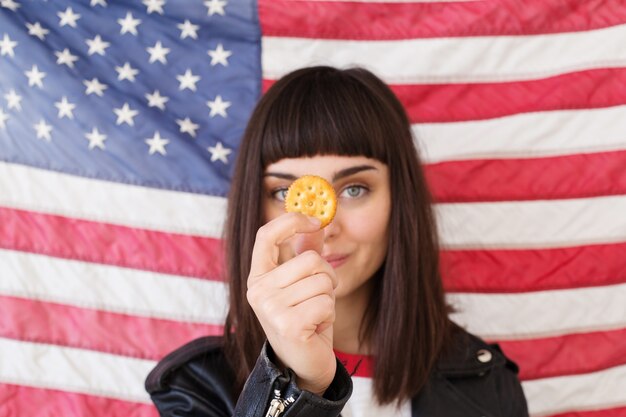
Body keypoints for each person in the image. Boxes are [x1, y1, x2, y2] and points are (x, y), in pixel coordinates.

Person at [145, 66, 529, 417]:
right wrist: (302, 386)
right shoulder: (195, 389)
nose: (322, 227)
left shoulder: (485, 384)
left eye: (356, 189)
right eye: (283, 193)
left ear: (400, 202)